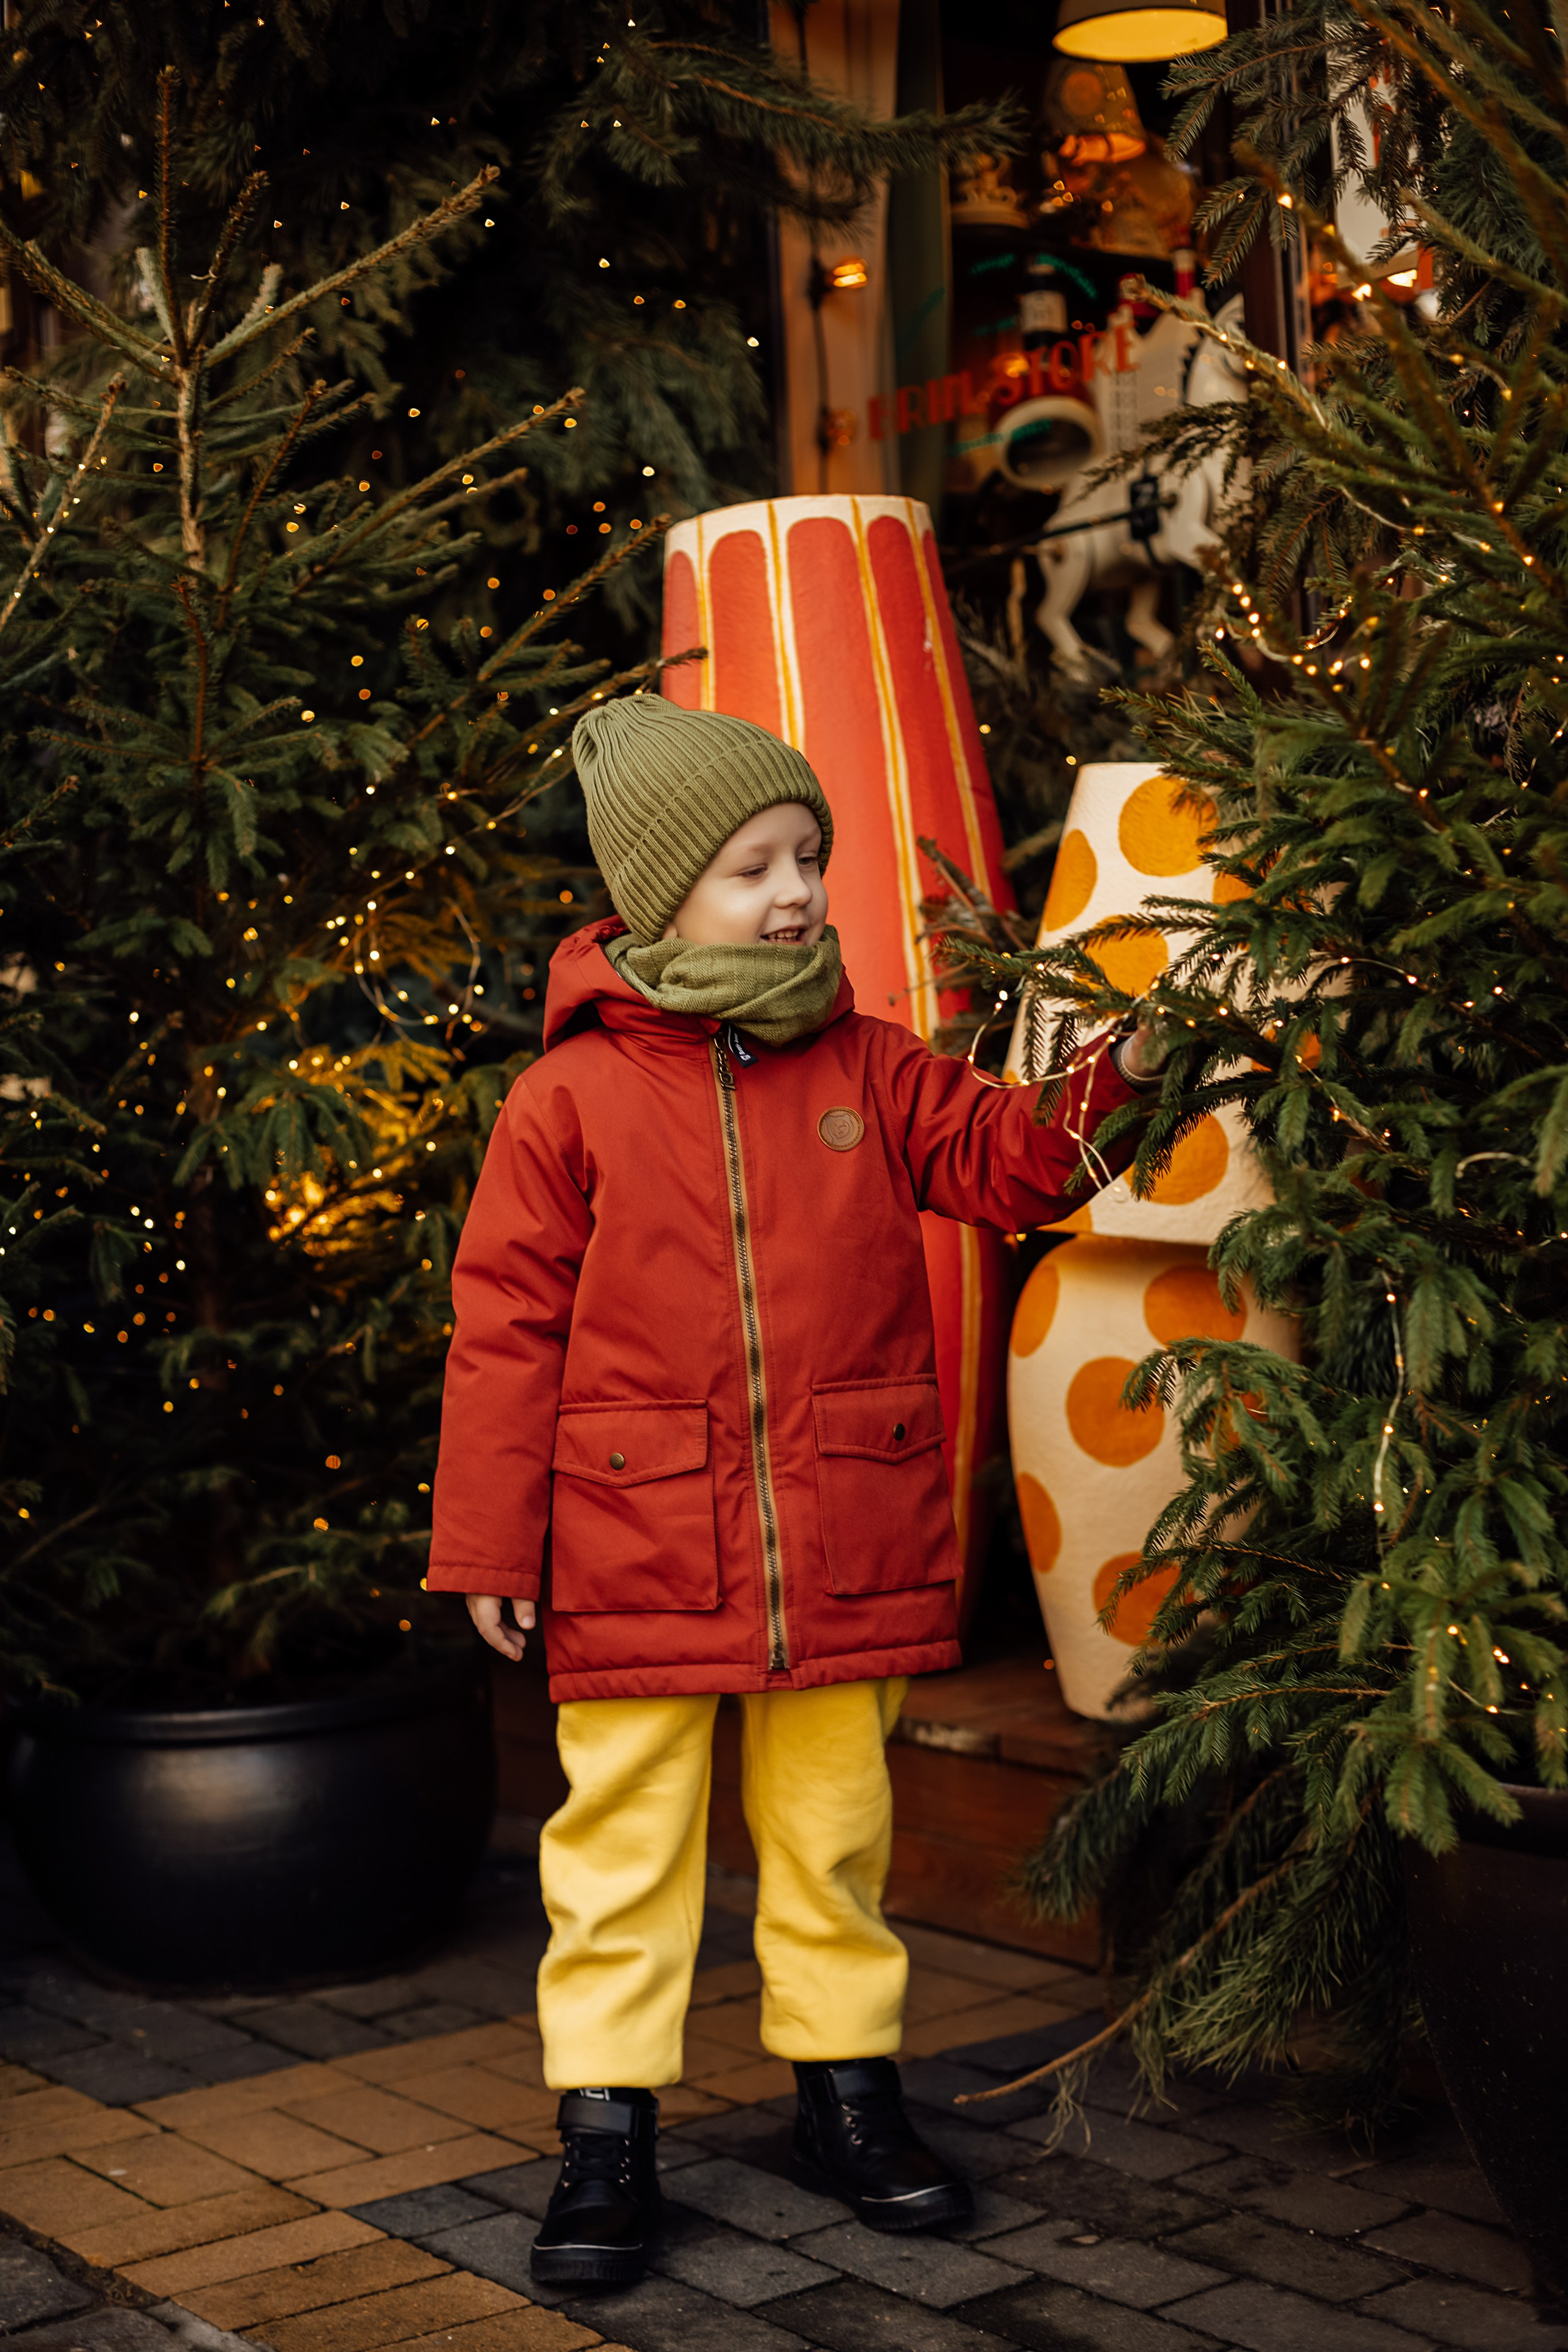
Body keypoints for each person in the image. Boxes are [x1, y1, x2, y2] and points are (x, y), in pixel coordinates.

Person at [427, 695, 1167, 2288]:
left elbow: (1015, 1166)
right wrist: (491, 1540)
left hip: (844, 1532)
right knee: (620, 1851)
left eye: (808, 861)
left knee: (835, 1839)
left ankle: (849, 2099)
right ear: (656, 889)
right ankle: (606, 2137)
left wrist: (1124, 1077)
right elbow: (504, 1327)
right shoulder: (567, 1101)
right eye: (754, 864)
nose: (793, 893)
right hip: (632, 1543)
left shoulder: (864, 1064)